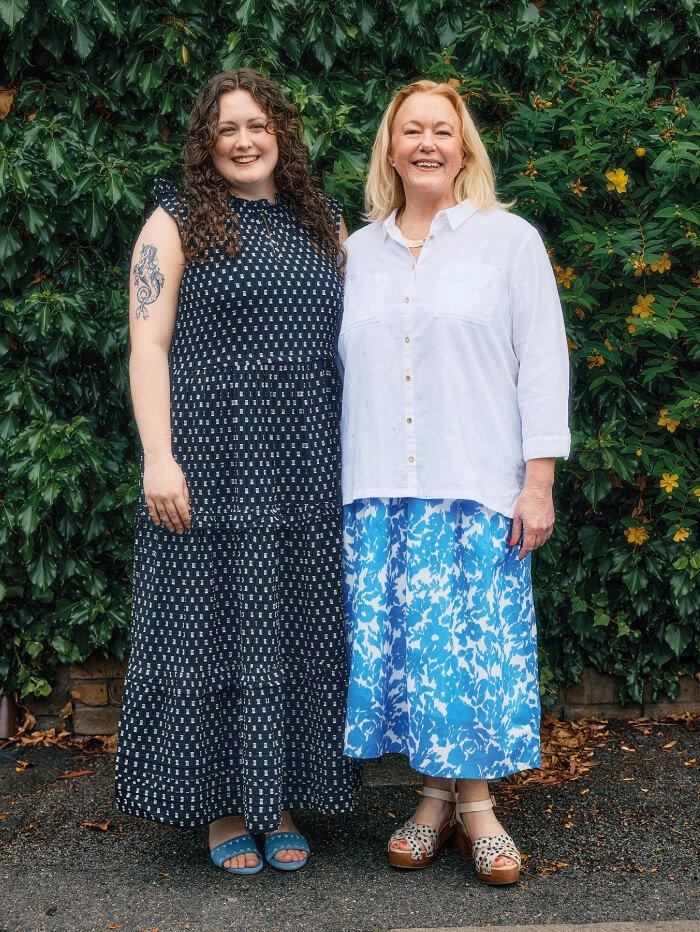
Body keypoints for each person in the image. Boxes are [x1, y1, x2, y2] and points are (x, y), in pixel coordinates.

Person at [115, 68, 359, 875]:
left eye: (258, 124)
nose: (245, 140)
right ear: (206, 143)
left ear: (281, 131)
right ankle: (221, 807)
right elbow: (147, 344)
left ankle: (279, 800)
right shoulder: (175, 220)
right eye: (227, 129)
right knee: (209, 630)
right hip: (210, 460)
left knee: (293, 627)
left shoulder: (321, 220)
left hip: (305, 462)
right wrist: (159, 458)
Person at [339, 79, 571, 884]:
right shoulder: (356, 251)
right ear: (391, 148)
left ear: (464, 146)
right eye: (412, 131)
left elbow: (541, 364)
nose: (427, 143)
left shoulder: (509, 241)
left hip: (475, 484)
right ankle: (440, 801)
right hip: (381, 489)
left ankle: (471, 810)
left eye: (443, 129)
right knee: (419, 656)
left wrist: (537, 481)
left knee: (467, 655)